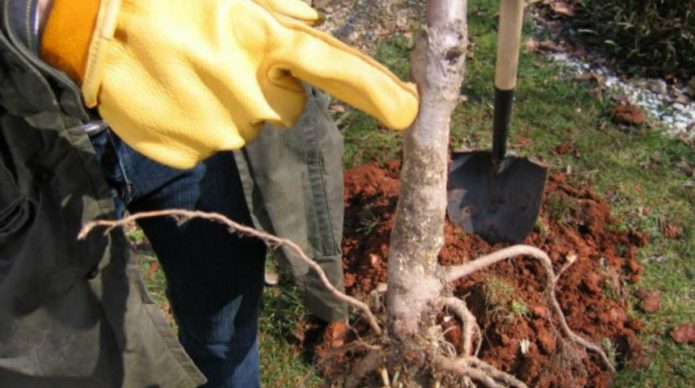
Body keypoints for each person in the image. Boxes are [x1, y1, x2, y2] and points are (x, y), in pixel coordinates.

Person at [0, 0, 418, 387]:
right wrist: (75, 24)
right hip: (25, 140)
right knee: (70, 353)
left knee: (224, 315)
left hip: (182, 88)